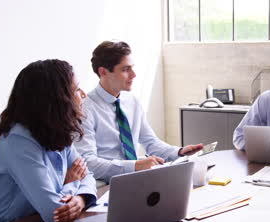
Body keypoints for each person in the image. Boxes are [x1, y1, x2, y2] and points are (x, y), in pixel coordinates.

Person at [75, 41, 203, 182]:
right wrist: (134, 166)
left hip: (135, 178)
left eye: (132, 68)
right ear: (103, 72)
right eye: (125, 69)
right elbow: (87, 162)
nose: (133, 75)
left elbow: (150, 142)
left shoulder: (133, 102)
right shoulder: (85, 109)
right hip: (104, 184)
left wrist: (178, 152)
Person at [0, 59, 97, 222]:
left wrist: (81, 198)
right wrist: (72, 183)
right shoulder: (18, 141)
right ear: (57, 99)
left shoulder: (56, 129)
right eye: (76, 89)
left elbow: (87, 174)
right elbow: (54, 212)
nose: (83, 94)